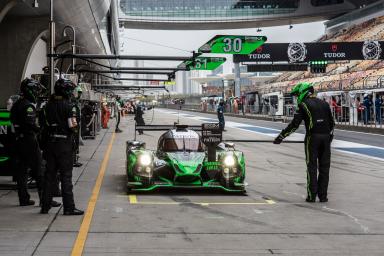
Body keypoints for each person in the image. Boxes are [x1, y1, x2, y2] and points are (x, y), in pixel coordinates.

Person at [274, 82, 335, 203]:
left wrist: (281, 136)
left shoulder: (303, 105)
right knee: (325, 168)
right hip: (326, 137)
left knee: (311, 167)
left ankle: (311, 196)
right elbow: (332, 124)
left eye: (297, 95)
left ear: (303, 92)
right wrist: (329, 138)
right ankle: (323, 197)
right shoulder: (324, 104)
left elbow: (294, 125)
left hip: (312, 138)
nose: (296, 97)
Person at [40, 79, 83, 215]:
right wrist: (74, 139)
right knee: (66, 176)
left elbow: (43, 126)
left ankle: (45, 206)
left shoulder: (47, 106)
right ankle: (69, 207)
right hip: (64, 145)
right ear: (66, 91)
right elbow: (73, 126)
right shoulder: (70, 106)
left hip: (50, 144)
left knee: (49, 175)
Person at [10, 78, 45, 206]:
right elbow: (29, 125)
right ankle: (44, 199)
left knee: (22, 171)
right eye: (35, 90)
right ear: (29, 90)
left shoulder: (17, 104)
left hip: (18, 140)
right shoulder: (28, 106)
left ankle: (23, 199)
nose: (36, 93)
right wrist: (40, 130)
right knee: (39, 169)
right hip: (28, 141)